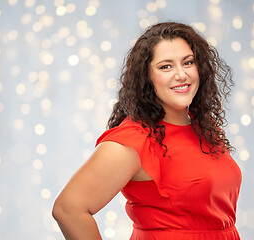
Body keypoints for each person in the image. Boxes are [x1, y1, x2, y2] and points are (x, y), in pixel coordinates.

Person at [52, 21, 242, 240]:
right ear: (147, 77)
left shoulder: (204, 129)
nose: (181, 74)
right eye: (165, 66)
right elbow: (68, 209)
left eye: (188, 62)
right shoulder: (135, 140)